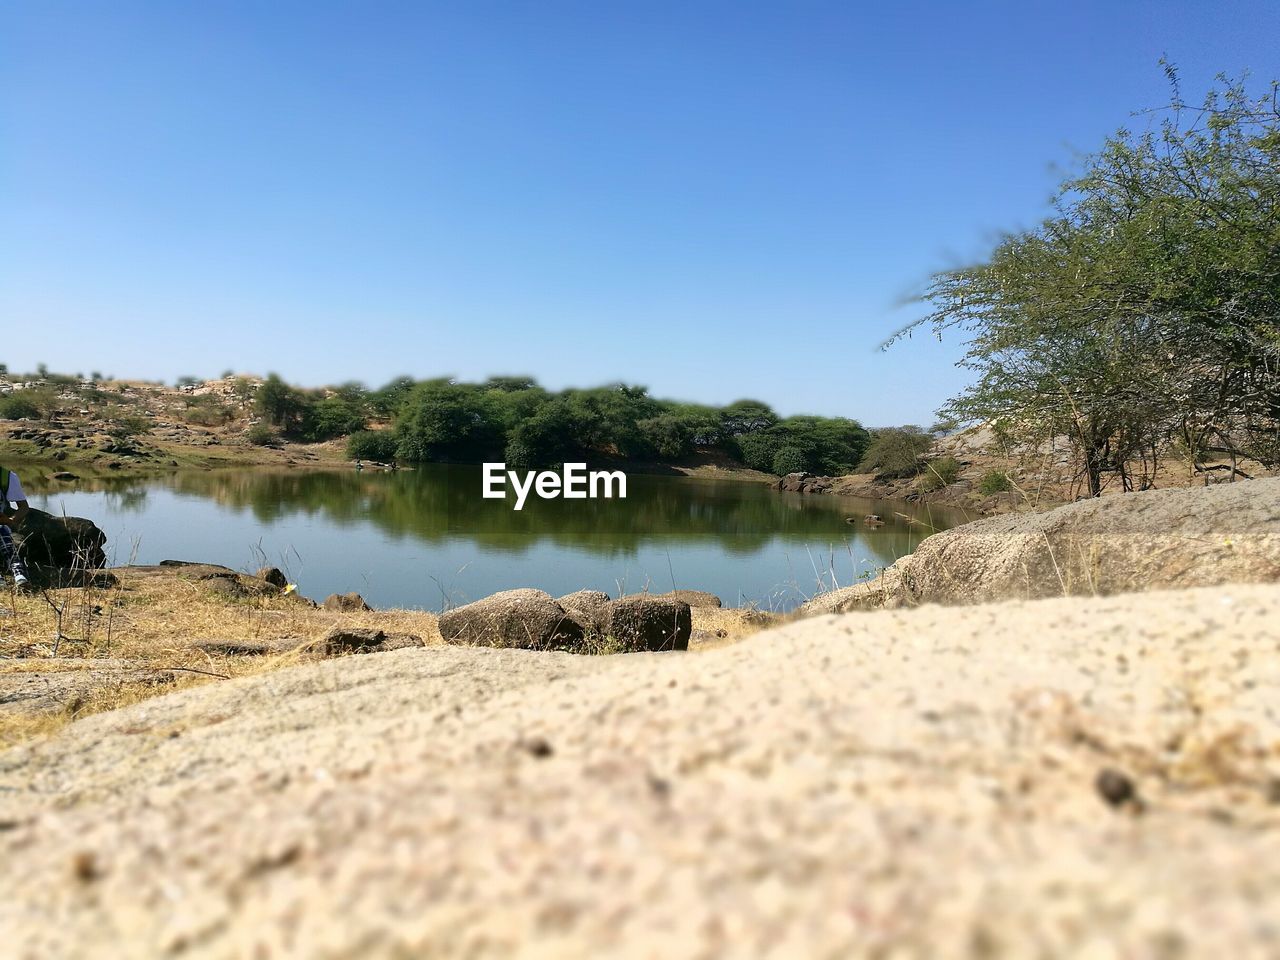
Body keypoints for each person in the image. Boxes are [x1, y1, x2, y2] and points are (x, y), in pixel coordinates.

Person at [0, 465, 31, 590]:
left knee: (2, 531)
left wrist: (11, 520)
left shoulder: (7, 477)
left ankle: (18, 573)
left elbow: (23, 507)